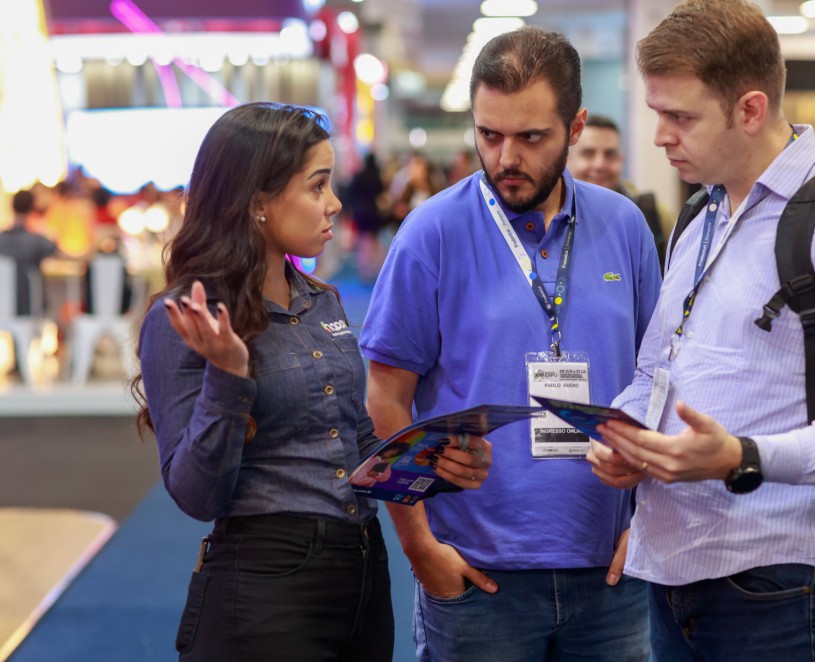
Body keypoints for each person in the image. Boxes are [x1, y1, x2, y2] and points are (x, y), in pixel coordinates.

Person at [587, 2, 815, 660]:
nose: (658, 135)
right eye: (657, 113)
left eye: (679, 116)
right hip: (673, 570)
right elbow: (658, 369)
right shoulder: (700, 213)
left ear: (749, 109)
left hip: (781, 580)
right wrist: (626, 434)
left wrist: (743, 456)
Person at [131, 102, 491, 661]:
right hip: (265, 587)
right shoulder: (187, 318)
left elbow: (354, 445)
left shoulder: (323, 299)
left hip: (363, 572)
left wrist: (435, 464)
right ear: (257, 202)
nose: (335, 204)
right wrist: (228, 377)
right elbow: (197, 494)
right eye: (317, 186)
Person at [360, 26, 661, 662]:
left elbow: (660, 378)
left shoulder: (625, 226)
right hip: (478, 577)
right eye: (489, 135)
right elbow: (387, 394)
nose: (505, 158)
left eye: (530, 138)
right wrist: (420, 549)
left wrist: (654, 522)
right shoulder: (431, 232)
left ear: (575, 128)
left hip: (613, 572)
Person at [567, 114, 673, 269]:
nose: (599, 164)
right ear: (568, 159)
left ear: (621, 160)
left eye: (610, 155)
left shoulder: (656, 216)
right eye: (588, 154)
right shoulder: (547, 215)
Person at [0, 189, 59, 316]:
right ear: (32, 208)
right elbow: (56, 249)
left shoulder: (2, 238)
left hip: (2, 302)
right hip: (29, 303)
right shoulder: (36, 240)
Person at [347, 152, 388, 282]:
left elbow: (352, 193)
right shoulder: (377, 176)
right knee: (375, 241)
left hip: (361, 212)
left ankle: (364, 269)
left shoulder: (359, 176)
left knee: (363, 241)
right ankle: (376, 268)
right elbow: (381, 193)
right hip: (374, 212)